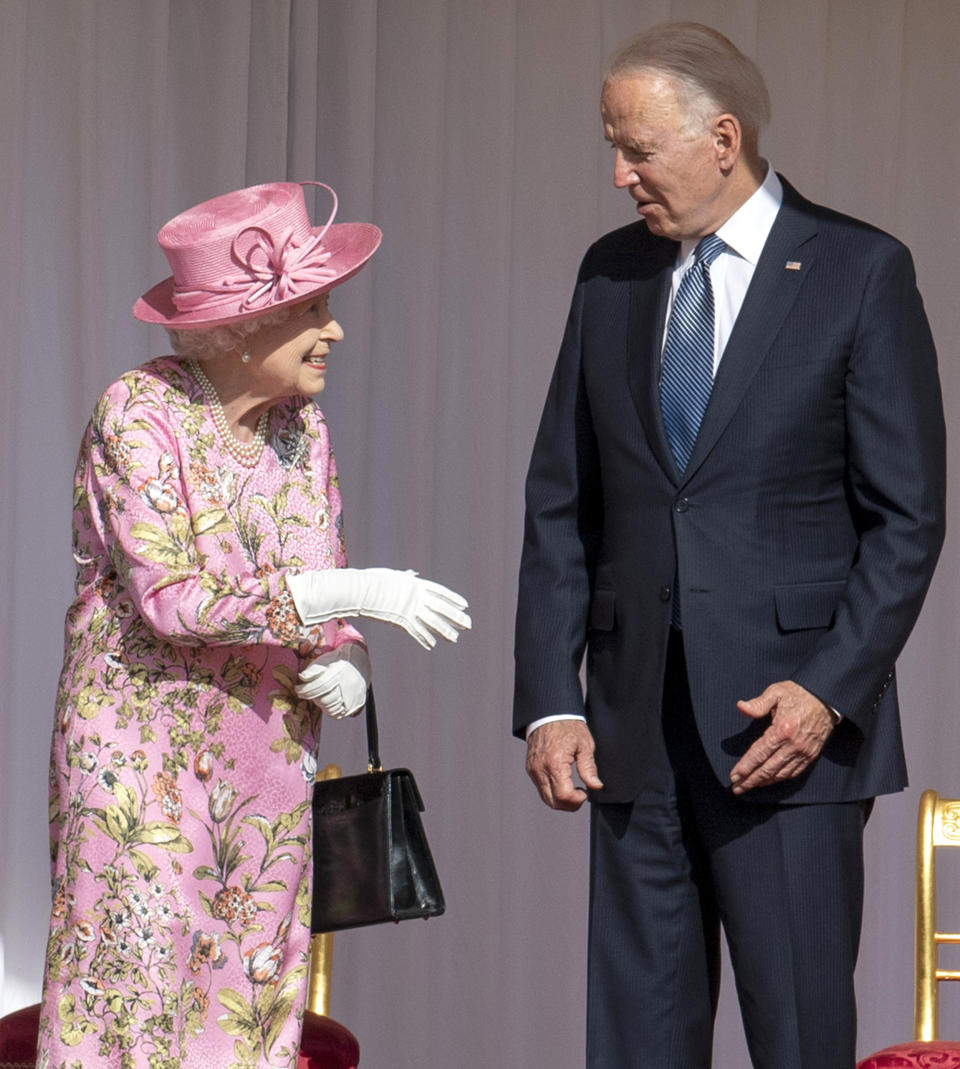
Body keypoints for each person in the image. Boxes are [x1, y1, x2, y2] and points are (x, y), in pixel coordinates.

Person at [513, 22, 945, 1069]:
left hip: (785, 732)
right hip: (630, 731)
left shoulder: (858, 270)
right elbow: (561, 499)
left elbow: (908, 516)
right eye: (611, 144)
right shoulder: (609, 275)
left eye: (638, 147)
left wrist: (828, 688)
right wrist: (551, 698)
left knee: (798, 1033)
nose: (619, 173)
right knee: (639, 1040)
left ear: (723, 136)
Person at [38, 180, 470, 1069]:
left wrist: (344, 653)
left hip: (264, 762)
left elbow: (321, 564)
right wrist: (349, 593)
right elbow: (173, 599)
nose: (336, 331)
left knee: (247, 1009)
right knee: (136, 1004)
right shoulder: (137, 413)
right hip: (140, 768)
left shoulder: (301, 430)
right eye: (313, 309)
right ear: (241, 327)